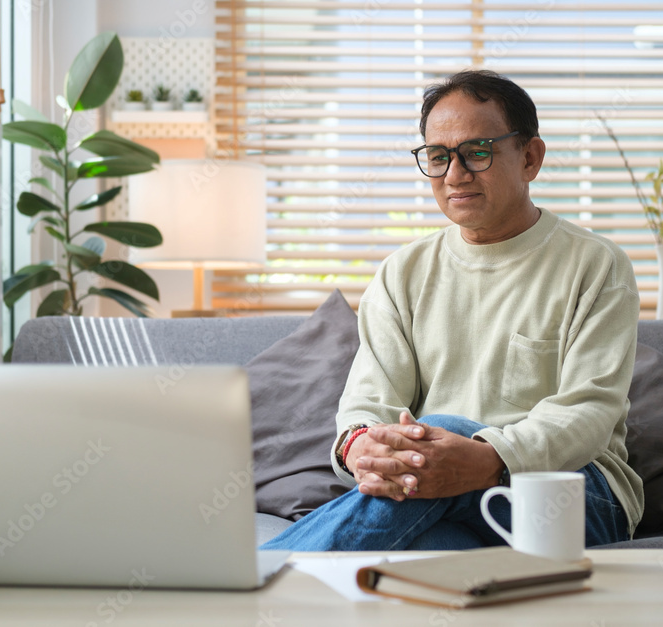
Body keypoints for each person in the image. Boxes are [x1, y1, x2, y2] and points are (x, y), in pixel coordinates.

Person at [261, 69, 643, 552]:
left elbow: (588, 411)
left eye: (476, 152)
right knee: (436, 547)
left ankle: (254, 584)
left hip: (570, 492)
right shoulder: (402, 272)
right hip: (432, 486)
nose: (454, 175)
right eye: (438, 157)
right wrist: (361, 447)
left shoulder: (596, 264)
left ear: (530, 157)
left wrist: (484, 457)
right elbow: (367, 404)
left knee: (448, 433)